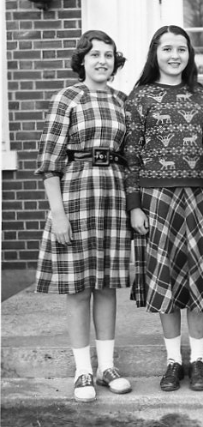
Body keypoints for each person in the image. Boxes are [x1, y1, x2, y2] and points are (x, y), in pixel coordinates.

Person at [124, 25, 203, 392]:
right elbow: (131, 157)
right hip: (156, 197)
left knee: (199, 277)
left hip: (199, 194)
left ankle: (197, 359)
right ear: (155, 54)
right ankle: (173, 361)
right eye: (167, 49)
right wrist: (134, 205)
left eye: (181, 49)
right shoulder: (140, 98)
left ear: (190, 55)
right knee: (165, 279)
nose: (174, 56)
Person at [35, 30, 132, 402]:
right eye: (94, 55)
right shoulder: (67, 98)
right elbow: (49, 163)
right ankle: (83, 371)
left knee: (106, 284)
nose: (102, 61)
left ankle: (107, 366)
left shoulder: (122, 100)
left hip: (112, 193)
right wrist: (57, 214)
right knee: (78, 288)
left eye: (108, 55)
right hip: (75, 192)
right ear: (83, 60)